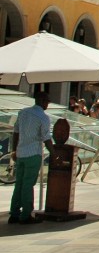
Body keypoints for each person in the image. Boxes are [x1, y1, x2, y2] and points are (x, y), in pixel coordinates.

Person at [8, 90, 54, 225]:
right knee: (28, 185)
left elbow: (15, 132)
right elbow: (46, 137)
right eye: (47, 101)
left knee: (19, 184)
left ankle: (14, 213)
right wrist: (54, 152)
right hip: (33, 154)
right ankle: (26, 215)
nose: (48, 104)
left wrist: (14, 150)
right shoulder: (43, 117)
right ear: (43, 101)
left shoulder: (23, 113)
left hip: (21, 153)